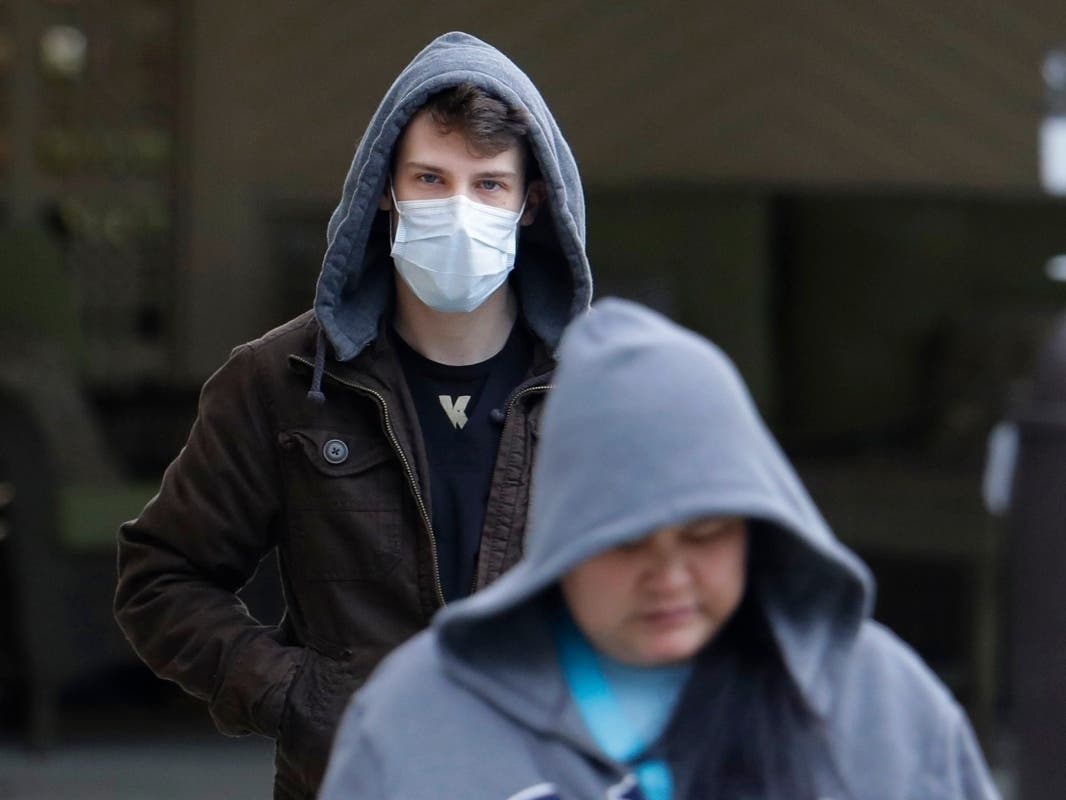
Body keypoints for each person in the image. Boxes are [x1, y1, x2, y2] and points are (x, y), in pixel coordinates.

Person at [113, 31, 592, 799]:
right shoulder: (279, 380)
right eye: (431, 178)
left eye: (489, 185)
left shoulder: (602, 388)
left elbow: (680, 588)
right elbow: (161, 579)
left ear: (532, 202)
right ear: (384, 190)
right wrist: (304, 701)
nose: (459, 210)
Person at [318, 298, 1000, 800]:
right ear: (560, 541)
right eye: (627, 545)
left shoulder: (883, 705)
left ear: (756, 530)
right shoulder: (418, 720)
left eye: (705, 536)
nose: (670, 577)